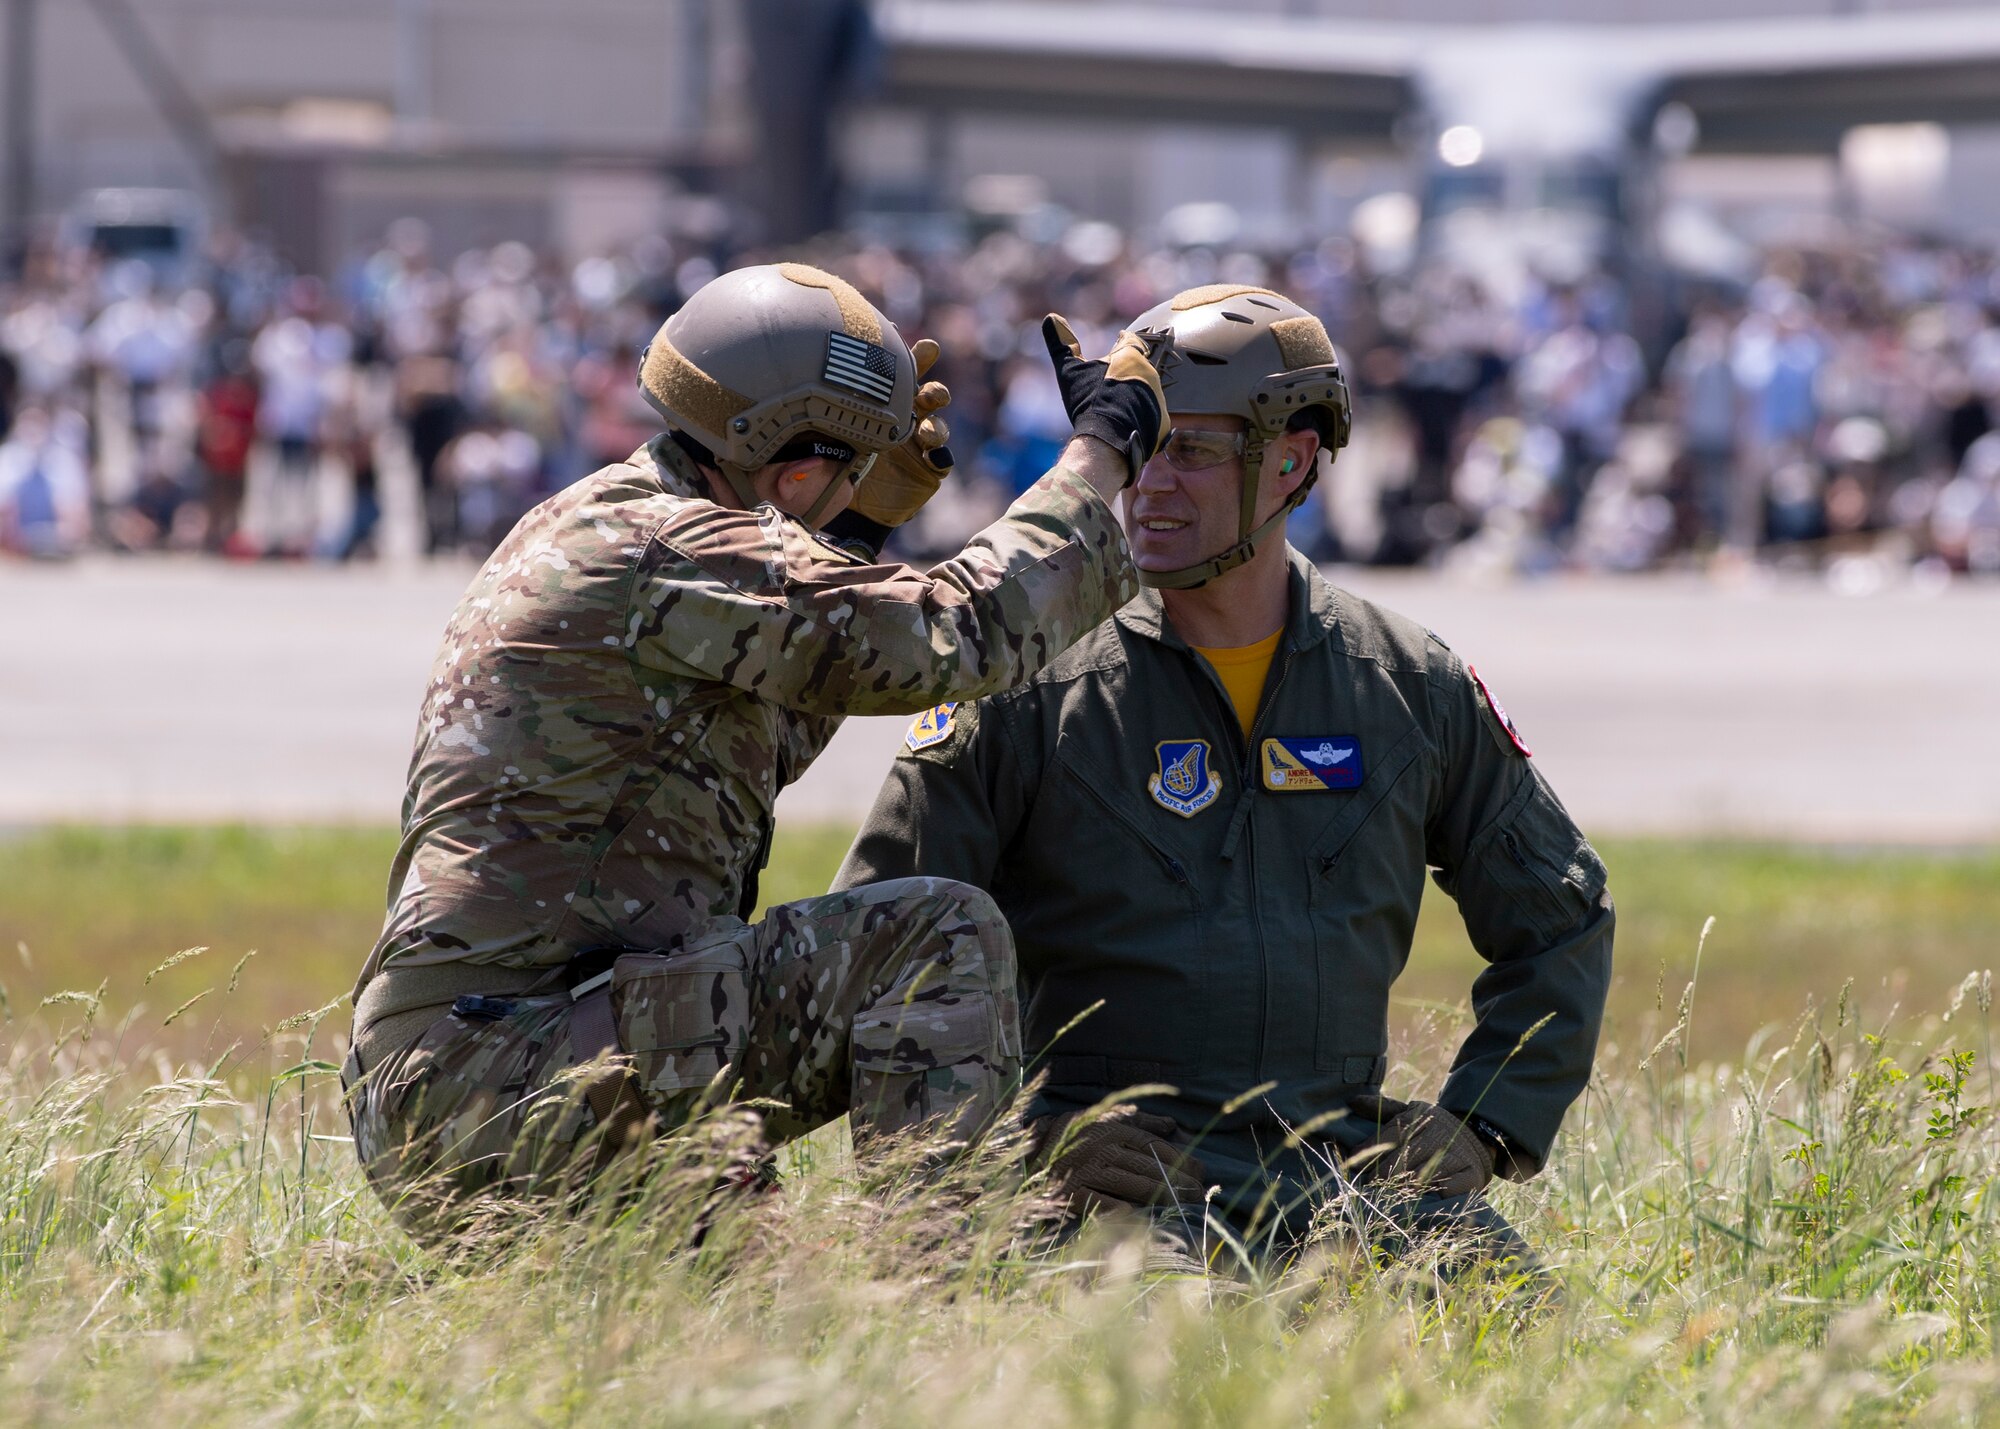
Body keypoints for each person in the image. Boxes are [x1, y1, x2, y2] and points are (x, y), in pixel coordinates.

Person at [343, 261, 1169, 1232]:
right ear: (795, 467)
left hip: (484, 1069)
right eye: (844, 470)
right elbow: (958, 629)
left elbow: (750, 740)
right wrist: (1100, 455)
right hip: (517, 1063)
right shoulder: (681, 548)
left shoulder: (600, 526)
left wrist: (853, 528)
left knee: (749, 1317)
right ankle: (940, 1299)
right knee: (932, 935)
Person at [837, 284, 1615, 1270]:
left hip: (1341, 1179)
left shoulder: (1404, 682)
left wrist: (1482, 1124)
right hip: (1115, 1196)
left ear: (1289, 462)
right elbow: (878, 942)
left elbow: (1561, 917)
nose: (1146, 485)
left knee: (1523, 1337)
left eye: (1190, 451)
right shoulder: (1026, 681)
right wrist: (1009, 1146)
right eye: (1134, 450)